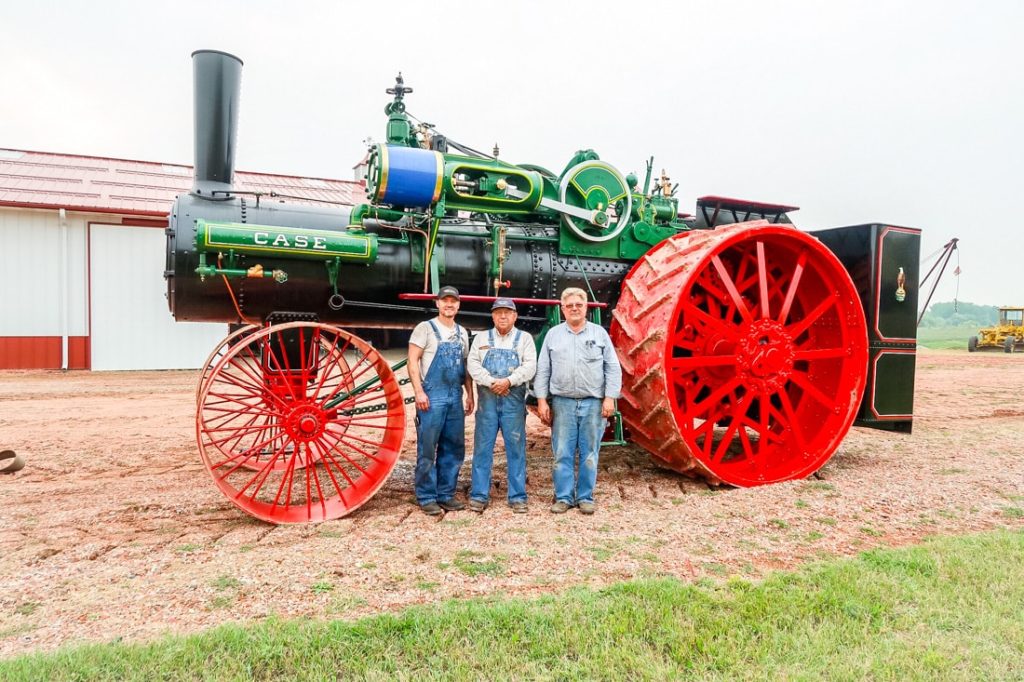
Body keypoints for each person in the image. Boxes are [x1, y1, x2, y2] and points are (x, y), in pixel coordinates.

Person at [534, 287, 622, 515]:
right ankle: (563, 497)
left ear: (586, 308)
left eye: (578, 305)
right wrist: (542, 400)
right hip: (562, 403)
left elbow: (612, 367)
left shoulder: (599, 334)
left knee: (589, 452)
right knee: (562, 452)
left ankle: (585, 497)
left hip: (593, 403)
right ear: (562, 309)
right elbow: (543, 369)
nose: (574, 308)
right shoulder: (553, 335)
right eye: (569, 305)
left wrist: (610, 398)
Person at [466, 297, 537, 514]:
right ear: (493, 315)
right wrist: (491, 382)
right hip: (487, 402)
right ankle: (479, 495)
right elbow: (472, 364)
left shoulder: (524, 339)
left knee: (515, 449)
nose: (503, 316)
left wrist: (509, 381)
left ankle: (517, 496)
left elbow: (530, 366)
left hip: (512, 402)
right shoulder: (481, 338)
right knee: (482, 449)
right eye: (498, 312)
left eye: (507, 312)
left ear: (515, 316)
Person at [408, 286, 474, 516]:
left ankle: (446, 494)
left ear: (458, 305)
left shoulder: (462, 332)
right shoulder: (425, 328)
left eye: (453, 301)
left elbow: (465, 367)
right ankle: (426, 496)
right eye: (445, 301)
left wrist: (470, 394)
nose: (449, 305)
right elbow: (412, 361)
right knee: (428, 447)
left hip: (455, 395)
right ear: (437, 303)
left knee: (454, 447)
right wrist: (418, 391)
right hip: (432, 396)